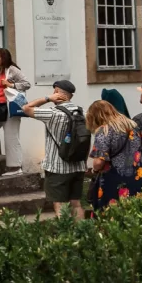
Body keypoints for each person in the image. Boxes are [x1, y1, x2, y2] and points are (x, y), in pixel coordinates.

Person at [23, 80, 87, 219]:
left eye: (54, 92)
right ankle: (82, 235)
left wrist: (47, 99)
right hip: (78, 165)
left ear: (57, 93)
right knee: (76, 203)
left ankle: (66, 235)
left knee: (60, 204)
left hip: (58, 167)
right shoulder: (81, 112)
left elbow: (26, 108)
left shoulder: (53, 113)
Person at [86, 101, 142, 212]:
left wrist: (94, 170)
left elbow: (98, 162)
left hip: (114, 180)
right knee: (136, 211)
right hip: (137, 175)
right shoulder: (133, 126)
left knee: (112, 214)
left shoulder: (104, 131)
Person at [0, 48, 31, 176]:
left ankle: (15, 167)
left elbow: (27, 83)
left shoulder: (12, 70)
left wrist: (11, 85)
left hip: (10, 108)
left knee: (11, 137)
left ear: (4, 57)